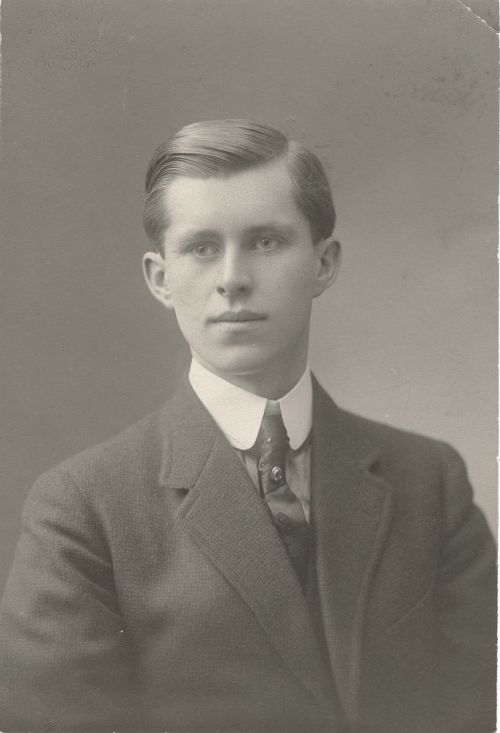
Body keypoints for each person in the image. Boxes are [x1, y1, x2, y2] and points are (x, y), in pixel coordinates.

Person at [0, 119, 495, 733]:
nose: (232, 279)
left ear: (324, 263)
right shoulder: (82, 509)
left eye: (265, 242)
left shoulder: (430, 482)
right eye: (202, 247)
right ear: (160, 278)